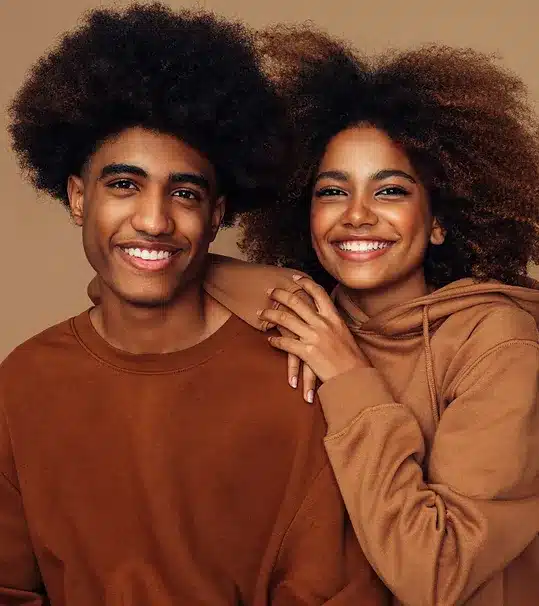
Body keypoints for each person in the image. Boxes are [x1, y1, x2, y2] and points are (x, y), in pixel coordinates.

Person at [1, 7, 389, 604]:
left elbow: (335, 593)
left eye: (184, 193)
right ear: (78, 196)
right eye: (124, 185)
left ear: (216, 215)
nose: (154, 221)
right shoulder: (22, 382)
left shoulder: (297, 380)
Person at [198, 27, 539, 606]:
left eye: (389, 192)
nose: (356, 215)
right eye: (332, 192)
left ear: (438, 220)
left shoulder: (498, 342)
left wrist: (350, 376)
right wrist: (291, 286)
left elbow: (437, 573)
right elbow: (133, 280)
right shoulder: (309, 316)